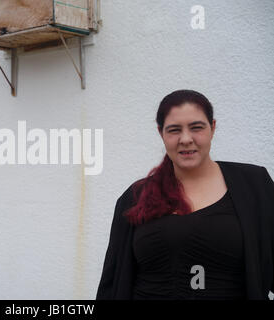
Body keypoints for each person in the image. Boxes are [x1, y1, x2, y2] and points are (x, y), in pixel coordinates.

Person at [96, 89, 274, 300]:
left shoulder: (253, 185)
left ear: (213, 128)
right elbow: (112, 281)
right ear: (161, 133)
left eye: (196, 127)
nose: (186, 139)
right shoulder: (135, 197)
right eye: (174, 130)